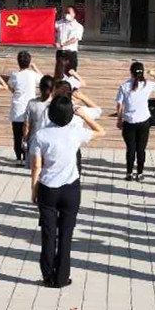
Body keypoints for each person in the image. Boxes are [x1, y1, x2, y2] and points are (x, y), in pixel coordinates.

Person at [31, 93, 106, 288]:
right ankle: (62, 277)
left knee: (48, 234)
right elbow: (101, 131)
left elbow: (37, 166)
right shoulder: (75, 132)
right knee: (66, 234)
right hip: (70, 188)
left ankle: (48, 274)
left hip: (48, 188)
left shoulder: (40, 135)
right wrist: (83, 115)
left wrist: (34, 190)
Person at [115, 61, 155, 182]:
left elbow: (119, 104)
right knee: (141, 149)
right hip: (144, 121)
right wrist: (154, 74)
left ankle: (129, 173)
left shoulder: (124, 86)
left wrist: (119, 119)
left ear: (131, 72)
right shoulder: (148, 84)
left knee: (131, 148)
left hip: (129, 121)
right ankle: (140, 173)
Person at [8, 52, 42, 165]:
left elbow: (11, 87)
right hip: (30, 108)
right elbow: (43, 79)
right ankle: (28, 156)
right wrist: (35, 68)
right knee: (30, 134)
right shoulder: (33, 74)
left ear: (18, 62)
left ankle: (19, 158)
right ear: (29, 62)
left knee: (17, 135)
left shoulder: (14, 75)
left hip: (17, 108)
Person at [24, 75, 56, 159]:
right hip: (51, 141)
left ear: (40, 87)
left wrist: (25, 140)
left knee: (34, 165)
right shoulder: (55, 104)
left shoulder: (32, 103)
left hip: (35, 140)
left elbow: (27, 124)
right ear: (53, 89)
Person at [54, 5, 84, 71]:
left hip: (71, 53)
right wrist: (53, 14)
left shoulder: (78, 26)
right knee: (59, 72)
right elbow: (50, 27)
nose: (66, 14)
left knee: (71, 72)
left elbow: (74, 39)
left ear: (74, 14)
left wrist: (63, 44)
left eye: (68, 12)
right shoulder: (59, 23)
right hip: (60, 52)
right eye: (65, 12)